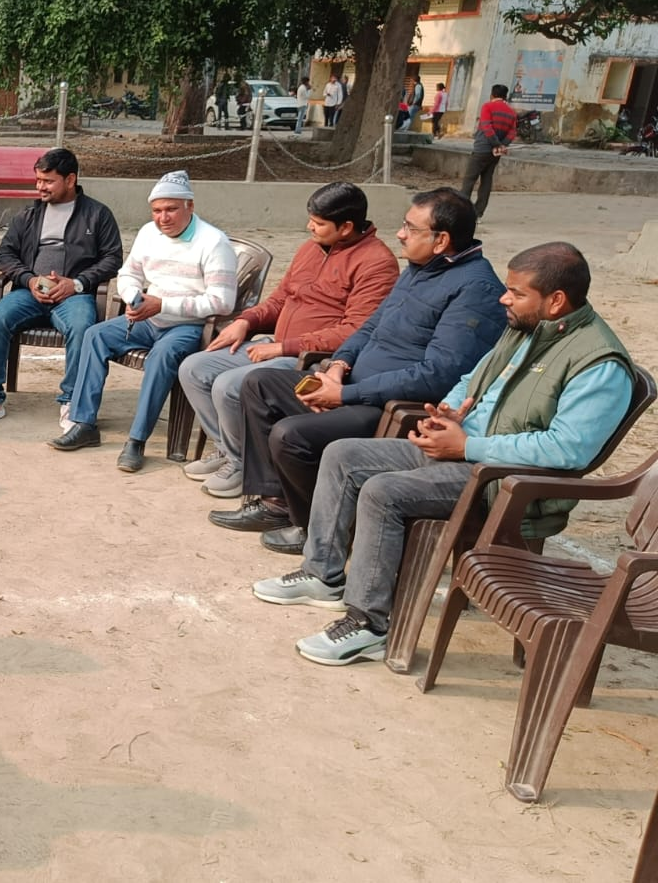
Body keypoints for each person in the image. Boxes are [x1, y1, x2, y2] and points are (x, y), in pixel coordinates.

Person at [250, 243, 635, 666]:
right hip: (464, 450)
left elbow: (567, 449)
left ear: (556, 300)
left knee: (382, 492)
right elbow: (473, 377)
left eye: (516, 292)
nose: (504, 299)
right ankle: (323, 573)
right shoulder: (527, 327)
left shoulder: (599, 363)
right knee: (343, 455)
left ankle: (368, 625)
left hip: (502, 478)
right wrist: (449, 412)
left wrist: (467, 446)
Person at [207, 188, 507, 553]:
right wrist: (338, 365)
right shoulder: (420, 270)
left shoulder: (475, 289)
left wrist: (344, 394)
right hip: (352, 384)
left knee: (291, 436)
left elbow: (438, 375)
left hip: (388, 406)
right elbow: (368, 327)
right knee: (260, 384)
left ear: (441, 240)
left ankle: (315, 527)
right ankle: (277, 504)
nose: (400, 234)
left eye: (410, 228)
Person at [177, 182, 398, 499]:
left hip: (311, 358)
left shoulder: (377, 263)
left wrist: (283, 347)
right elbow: (280, 299)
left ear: (347, 227)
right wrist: (246, 321)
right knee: (194, 368)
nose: (310, 227)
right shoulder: (311, 248)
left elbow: (355, 330)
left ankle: (242, 465)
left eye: (319, 223)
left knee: (228, 385)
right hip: (273, 343)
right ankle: (230, 450)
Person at [47, 170, 237, 472]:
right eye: (157, 210)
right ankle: (83, 423)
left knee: (162, 356)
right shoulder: (149, 233)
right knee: (95, 335)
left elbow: (223, 302)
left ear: (189, 206)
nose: (163, 217)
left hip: (187, 325)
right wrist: (133, 296)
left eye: (171, 209)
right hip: (147, 318)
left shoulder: (213, 242)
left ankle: (136, 440)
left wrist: (163, 304)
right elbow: (128, 273)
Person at [0, 147, 123, 427]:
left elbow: (113, 258)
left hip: (74, 295)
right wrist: (29, 279)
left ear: (70, 180)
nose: (40, 187)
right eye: (38, 180)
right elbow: (4, 254)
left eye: (48, 181)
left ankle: (71, 402)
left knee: (82, 328)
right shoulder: (29, 215)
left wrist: (77, 283)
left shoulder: (97, 214)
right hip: (30, 292)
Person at [459, 84, 518, 220]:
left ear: (492, 95)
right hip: (495, 153)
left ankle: (462, 212)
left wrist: (496, 143)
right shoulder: (511, 112)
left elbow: (486, 126)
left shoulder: (487, 106)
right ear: (505, 96)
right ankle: (478, 213)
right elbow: (512, 132)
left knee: (469, 180)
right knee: (486, 181)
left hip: (482, 149)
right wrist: (502, 145)